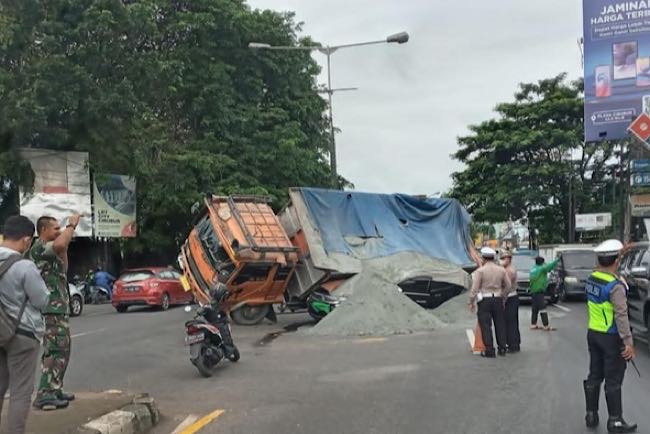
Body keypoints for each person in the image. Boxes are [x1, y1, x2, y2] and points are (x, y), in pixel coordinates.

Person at [0, 216, 50, 433]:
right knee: (20, 392)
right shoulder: (25, 266)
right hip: (22, 335)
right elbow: (42, 300)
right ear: (27, 241)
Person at [583, 239, 637, 433]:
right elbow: (621, 316)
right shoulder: (615, 286)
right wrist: (628, 343)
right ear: (616, 262)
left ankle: (591, 414)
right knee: (613, 379)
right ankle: (615, 421)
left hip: (593, 333)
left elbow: (607, 265)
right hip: (611, 337)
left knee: (595, 374)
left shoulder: (592, 278)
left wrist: (622, 251)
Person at [31, 214, 80, 411]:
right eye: (56, 229)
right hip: (50, 308)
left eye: (60, 229)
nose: (60, 232)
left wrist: (65, 246)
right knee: (55, 348)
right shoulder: (39, 248)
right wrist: (71, 225)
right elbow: (59, 245)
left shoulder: (52, 252)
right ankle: (44, 394)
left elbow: (64, 266)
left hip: (59, 307)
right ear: (43, 230)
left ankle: (55, 387)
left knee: (64, 349)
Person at [468, 247, 511, 358]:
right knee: (500, 324)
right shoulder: (501, 270)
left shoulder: (480, 271)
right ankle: (502, 348)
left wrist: (471, 301)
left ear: (483, 258)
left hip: (484, 300)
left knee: (486, 326)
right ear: (493, 257)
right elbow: (508, 285)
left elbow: (475, 289)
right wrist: (503, 296)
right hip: (497, 299)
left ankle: (490, 350)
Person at [529, 256, 559, 331]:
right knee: (542, 308)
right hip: (539, 291)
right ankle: (546, 325)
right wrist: (557, 260)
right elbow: (550, 266)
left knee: (535, 308)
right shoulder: (541, 269)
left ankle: (533, 324)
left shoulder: (533, 269)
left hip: (533, 290)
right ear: (542, 263)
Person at [501, 250, 520, 353]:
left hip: (510, 297)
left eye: (505, 258)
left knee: (510, 322)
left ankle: (513, 344)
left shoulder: (509, 270)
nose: (503, 260)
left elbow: (506, 286)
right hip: (511, 297)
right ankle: (514, 343)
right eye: (502, 258)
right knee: (510, 322)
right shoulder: (506, 269)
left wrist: (503, 298)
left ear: (509, 259)